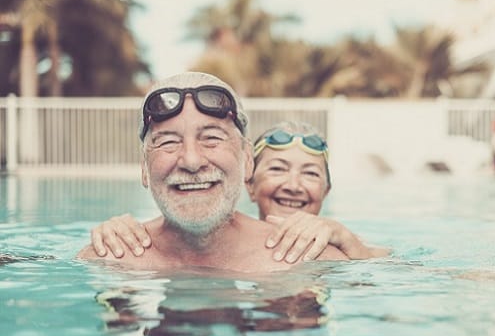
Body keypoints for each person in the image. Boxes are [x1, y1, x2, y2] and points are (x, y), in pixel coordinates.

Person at [77, 72, 348, 272]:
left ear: (247, 161)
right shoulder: (108, 260)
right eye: (169, 141)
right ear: (144, 169)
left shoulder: (311, 259)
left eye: (212, 138)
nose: (192, 161)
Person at [88, 121, 389, 262]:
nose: (293, 185)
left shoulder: (341, 248)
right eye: (277, 169)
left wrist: (351, 246)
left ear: (327, 190)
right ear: (249, 183)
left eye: (310, 174)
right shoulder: (227, 238)